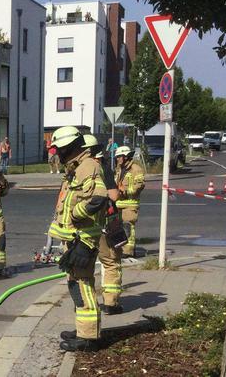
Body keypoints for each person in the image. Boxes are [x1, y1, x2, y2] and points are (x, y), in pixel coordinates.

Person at [47, 126, 108, 352]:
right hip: (76, 238)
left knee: (82, 287)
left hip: (83, 239)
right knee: (77, 285)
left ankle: (89, 338)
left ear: (69, 148)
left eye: (59, 150)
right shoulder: (77, 168)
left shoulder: (88, 166)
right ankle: (83, 330)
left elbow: (98, 198)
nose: (57, 155)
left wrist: (75, 214)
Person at [87, 135, 127, 315]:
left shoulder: (76, 170)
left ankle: (84, 303)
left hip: (82, 226)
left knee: (83, 267)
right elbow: (114, 196)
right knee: (110, 261)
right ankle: (110, 304)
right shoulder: (103, 168)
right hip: (103, 224)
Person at [115, 146, 145, 257]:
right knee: (119, 228)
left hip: (130, 204)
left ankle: (128, 252)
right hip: (119, 203)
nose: (117, 159)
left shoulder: (136, 169)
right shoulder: (119, 169)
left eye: (119, 157)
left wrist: (126, 191)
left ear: (125, 156)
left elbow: (139, 186)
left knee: (128, 227)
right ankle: (122, 249)